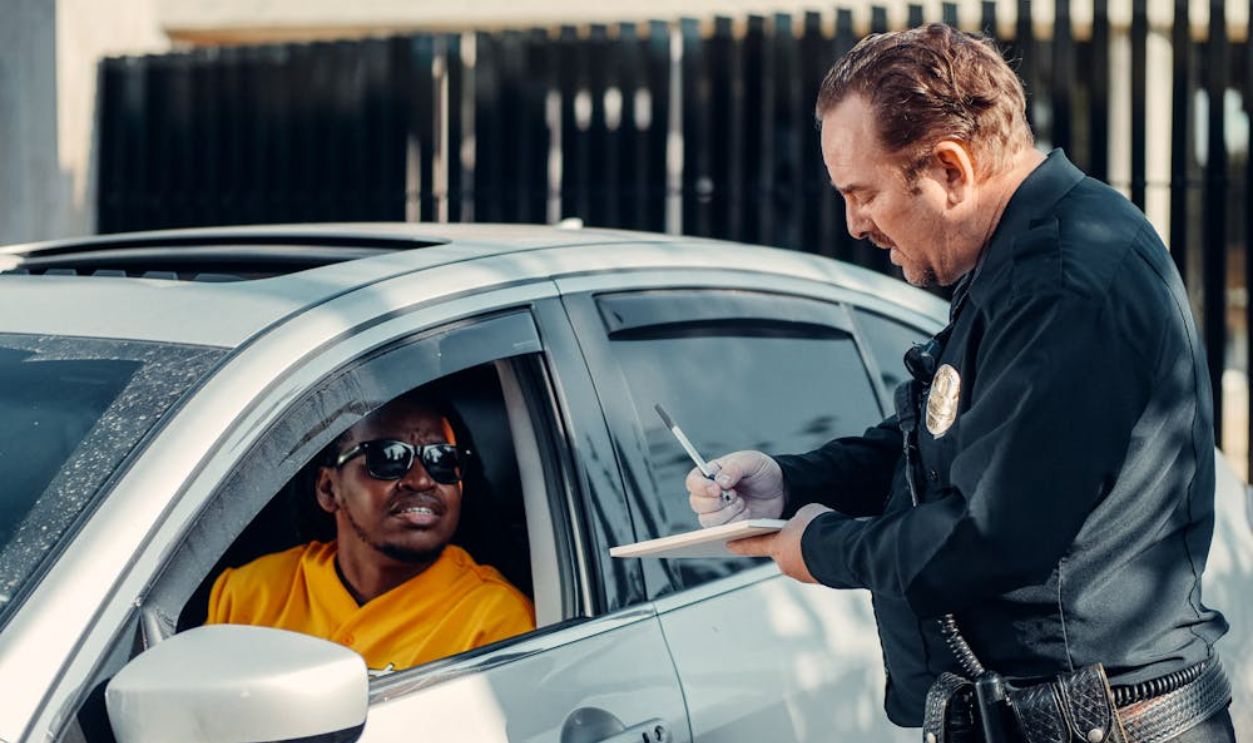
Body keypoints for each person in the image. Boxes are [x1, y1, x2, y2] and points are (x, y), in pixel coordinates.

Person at [687, 24, 1234, 742]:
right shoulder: (1023, 260)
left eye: (863, 194)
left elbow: (987, 533)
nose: (855, 224)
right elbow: (944, 440)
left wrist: (821, 546)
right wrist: (788, 483)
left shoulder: (1063, 282)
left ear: (949, 168)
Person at [207, 389, 535, 674]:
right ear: (328, 488)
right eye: (389, 458)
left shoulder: (496, 620)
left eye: (441, 460)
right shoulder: (247, 594)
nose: (421, 480)